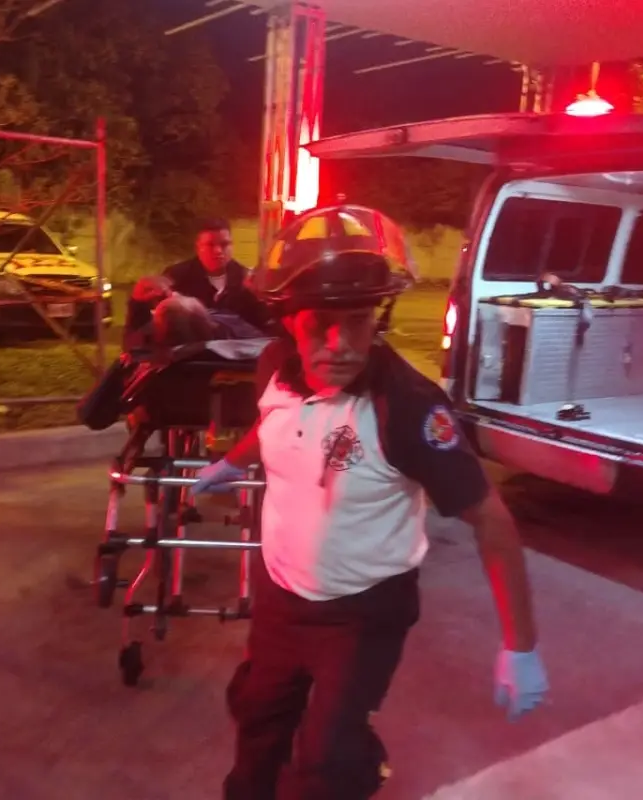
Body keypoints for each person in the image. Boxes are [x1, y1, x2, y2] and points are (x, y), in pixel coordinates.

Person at [189, 205, 549, 800]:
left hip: (361, 616)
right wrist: (234, 461)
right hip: (281, 598)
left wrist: (522, 646)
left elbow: (490, 518)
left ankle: (350, 762)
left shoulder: (407, 408)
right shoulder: (276, 367)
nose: (340, 345)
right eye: (318, 324)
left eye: (357, 321)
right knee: (256, 721)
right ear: (287, 321)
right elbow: (274, 424)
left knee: (323, 767)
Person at [124, 218, 269, 348]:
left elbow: (262, 328)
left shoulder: (245, 279)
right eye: (210, 245)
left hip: (235, 366)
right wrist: (138, 302)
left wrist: (260, 297)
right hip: (191, 365)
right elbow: (150, 330)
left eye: (225, 244)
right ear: (198, 247)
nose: (218, 251)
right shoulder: (176, 277)